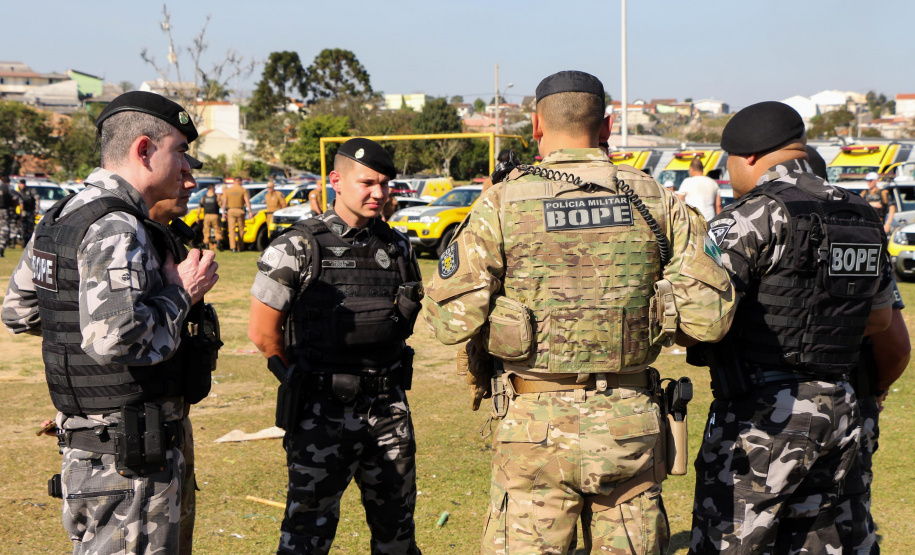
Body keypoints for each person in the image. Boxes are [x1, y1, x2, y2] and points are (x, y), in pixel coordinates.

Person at [424, 70, 737, 554]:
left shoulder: (501, 203)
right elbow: (710, 320)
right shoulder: (658, 200)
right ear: (608, 126)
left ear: (536, 126)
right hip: (630, 427)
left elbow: (449, 322)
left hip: (534, 429)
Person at [0, 91, 219, 555]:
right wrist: (183, 291)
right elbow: (116, 338)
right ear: (144, 150)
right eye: (179, 151)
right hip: (129, 458)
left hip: (96, 448)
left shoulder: (60, 216)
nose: (187, 168)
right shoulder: (118, 227)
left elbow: (18, 310)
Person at [688, 101, 899, 554]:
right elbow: (881, 319)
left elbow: (700, 320)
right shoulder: (860, 214)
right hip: (841, 410)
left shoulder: (749, 216)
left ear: (747, 157)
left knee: (731, 542)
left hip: (763, 416)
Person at [248, 138, 424, 555]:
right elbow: (263, 333)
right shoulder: (297, 246)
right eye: (367, 182)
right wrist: (308, 377)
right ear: (335, 181)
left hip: (387, 407)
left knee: (396, 531)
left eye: (385, 184)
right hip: (321, 413)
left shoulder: (398, 247)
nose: (378, 194)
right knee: (307, 531)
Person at [148, 153, 221, 555]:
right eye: (183, 173)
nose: (191, 184)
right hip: (133, 429)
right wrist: (180, 293)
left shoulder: (167, 235)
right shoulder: (117, 233)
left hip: (172, 418)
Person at [835, 278, 909, 553]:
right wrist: (876, 390)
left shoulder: (745, 235)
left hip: (756, 405)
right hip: (851, 401)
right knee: (847, 522)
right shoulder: (864, 238)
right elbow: (897, 345)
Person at [677, 156, 720, 221]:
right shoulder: (713, 183)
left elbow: (679, 201)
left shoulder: (687, 182)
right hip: (709, 221)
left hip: (693, 221)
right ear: (702, 169)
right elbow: (718, 205)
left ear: (691, 169)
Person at [222, 176, 252, 251]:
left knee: (231, 230)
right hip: (240, 211)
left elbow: (224, 202)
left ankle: (233, 248)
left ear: (234, 181)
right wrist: (250, 211)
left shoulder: (228, 190)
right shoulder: (243, 190)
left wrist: (223, 212)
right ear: (240, 181)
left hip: (231, 211)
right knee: (241, 229)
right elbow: (247, 201)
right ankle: (240, 247)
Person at [197, 182, 223, 250]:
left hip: (207, 216)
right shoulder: (216, 197)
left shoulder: (204, 197)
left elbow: (199, 207)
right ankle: (218, 244)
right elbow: (221, 205)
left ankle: (206, 245)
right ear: (212, 188)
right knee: (217, 230)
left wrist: (198, 216)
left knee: (206, 231)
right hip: (215, 216)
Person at [14, 178, 39, 246]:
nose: (20, 185)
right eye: (19, 184)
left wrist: (36, 210)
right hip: (23, 212)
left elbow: (37, 199)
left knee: (30, 228)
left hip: (30, 211)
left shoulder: (31, 190)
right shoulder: (19, 192)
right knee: (23, 228)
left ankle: (30, 243)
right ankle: (24, 243)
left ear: (24, 184)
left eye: (21, 184)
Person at [0, 174, 14, 256]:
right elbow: (15, 199)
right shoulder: (6, 187)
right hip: (4, 211)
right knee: (3, 230)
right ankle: (1, 250)